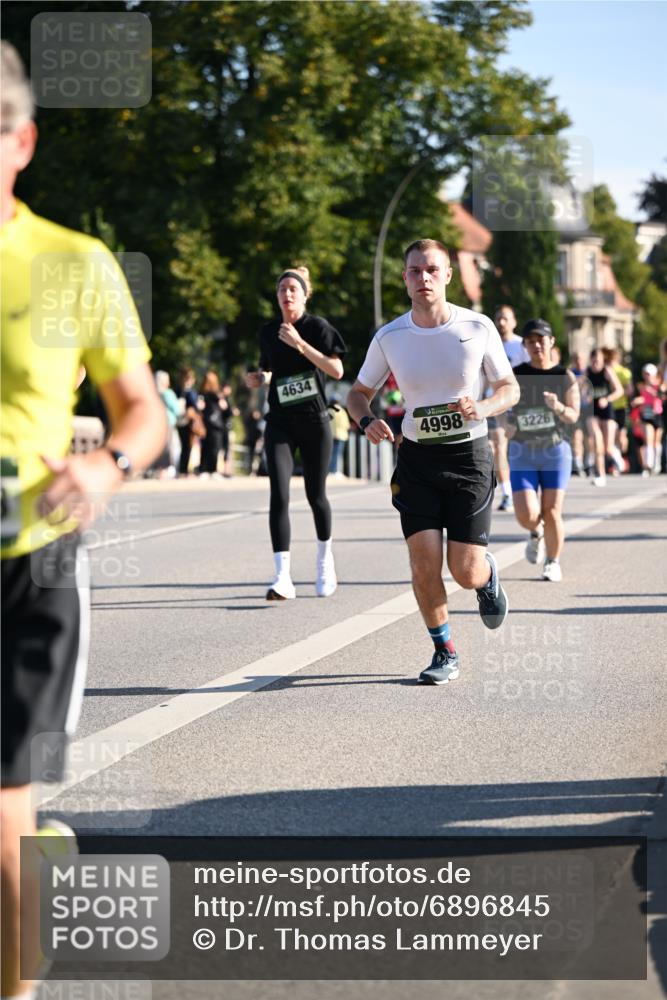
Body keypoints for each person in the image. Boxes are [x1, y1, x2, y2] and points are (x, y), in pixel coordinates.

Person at [0, 41, 165, 1000]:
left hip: (34, 564)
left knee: (2, 820)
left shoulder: (74, 262)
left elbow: (146, 410)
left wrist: (106, 467)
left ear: (20, 142)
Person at [347, 239, 519, 686]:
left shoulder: (477, 326)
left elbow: (509, 388)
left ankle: (486, 577)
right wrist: (366, 420)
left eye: (431, 270)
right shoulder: (390, 336)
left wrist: (482, 407)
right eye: (414, 271)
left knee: (464, 571)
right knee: (423, 563)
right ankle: (444, 650)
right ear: (404, 279)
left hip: (469, 458)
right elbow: (357, 393)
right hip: (417, 459)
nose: (423, 278)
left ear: (447, 275)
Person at [245, 266, 346, 599]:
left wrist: (301, 344)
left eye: (293, 289)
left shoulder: (317, 328)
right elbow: (271, 369)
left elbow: (336, 369)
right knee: (279, 495)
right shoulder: (268, 331)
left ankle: (324, 562)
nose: (287, 294)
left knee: (316, 496)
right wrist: (261, 378)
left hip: (315, 421)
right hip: (280, 422)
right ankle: (282, 576)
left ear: (304, 295)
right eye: (282, 289)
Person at [505, 319, 581, 583]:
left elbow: (573, 415)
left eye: (541, 339)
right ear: (525, 345)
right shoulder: (516, 375)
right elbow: (503, 408)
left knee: (552, 511)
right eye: (530, 341)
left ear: (551, 342)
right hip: (522, 450)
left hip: (554, 451)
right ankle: (535, 532)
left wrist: (557, 406)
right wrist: (507, 425)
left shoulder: (564, 376)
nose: (536, 344)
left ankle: (553, 561)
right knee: (526, 515)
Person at [488, 306, 528, 513]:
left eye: (505, 318)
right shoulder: (489, 344)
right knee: (496, 447)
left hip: (516, 405)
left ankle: (526, 490)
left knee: (519, 450)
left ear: (513, 322)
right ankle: (507, 493)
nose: (501, 322)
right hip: (493, 404)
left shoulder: (521, 346)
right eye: (498, 318)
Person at [585, 348, 623, 486]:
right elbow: (581, 388)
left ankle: (616, 456)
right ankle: (600, 475)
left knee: (607, 447)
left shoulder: (607, 371)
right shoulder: (587, 371)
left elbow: (619, 390)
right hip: (592, 410)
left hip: (607, 410)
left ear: (602, 360)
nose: (595, 364)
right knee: (596, 441)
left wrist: (607, 399)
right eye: (593, 361)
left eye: (598, 361)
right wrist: (585, 395)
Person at [629, 363, 663, 476]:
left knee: (656, 441)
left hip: (657, 414)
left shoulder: (660, 385)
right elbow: (637, 398)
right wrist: (638, 400)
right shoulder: (641, 386)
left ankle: (656, 464)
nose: (647, 376)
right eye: (645, 374)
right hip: (646, 414)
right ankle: (647, 466)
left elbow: (662, 397)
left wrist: (653, 391)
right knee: (648, 438)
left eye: (649, 374)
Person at [604, 347, 632, 473]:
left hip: (621, 407)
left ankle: (622, 458)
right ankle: (617, 463)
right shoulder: (604, 371)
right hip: (609, 407)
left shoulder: (624, 372)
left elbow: (630, 390)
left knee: (621, 437)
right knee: (612, 437)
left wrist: (618, 391)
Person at [175, 367, 204, 476]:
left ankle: (182, 469)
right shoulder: (189, 392)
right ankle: (183, 470)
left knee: (184, 446)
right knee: (187, 446)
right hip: (188, 421)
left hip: (180, 421)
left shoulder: (177, 390)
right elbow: (194, 406)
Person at [198, 370, 226, 477]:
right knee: (215, 447)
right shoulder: (217, 394)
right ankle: (212, 470)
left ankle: (203, 469)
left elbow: (200, 407)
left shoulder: (202, 394)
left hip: (206, 423)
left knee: (205, 447)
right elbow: (224, 407)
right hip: (216, 424)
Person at [220, 381, 240, 478]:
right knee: (224, 448)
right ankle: (223, 469)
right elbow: (227, 411)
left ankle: (227, 470)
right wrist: (232, 411)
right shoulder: (222, 399)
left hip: (227, 426)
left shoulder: (228, 399)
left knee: (227, 448)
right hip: (222, 426)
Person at [328, 396, 351, 475]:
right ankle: (334, 471)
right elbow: (347, 425)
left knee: (330, 454)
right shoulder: (342, 411)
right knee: (337, 454)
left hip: (330, 435)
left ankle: (330, 470)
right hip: (341, 435)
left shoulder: (328, 410)